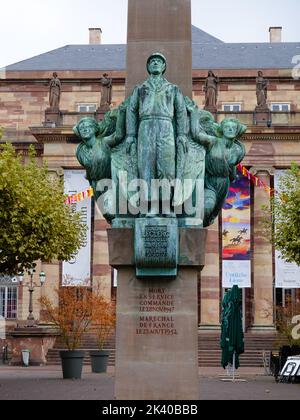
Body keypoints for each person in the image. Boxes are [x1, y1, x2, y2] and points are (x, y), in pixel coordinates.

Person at [126, 53, 188, 216]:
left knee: (166, 168)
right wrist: (131, 135)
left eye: (158, 61)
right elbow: (131, 111)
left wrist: (182, 133)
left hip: (166, 126)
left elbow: (181, 111)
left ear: (163, 67)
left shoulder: (173, 89)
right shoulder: (140, 89)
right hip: (145, 127)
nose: (155, 63)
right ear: (148, 67)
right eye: (152, 61)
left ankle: (166, 206)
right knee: (147, 168)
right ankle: (150, 207)